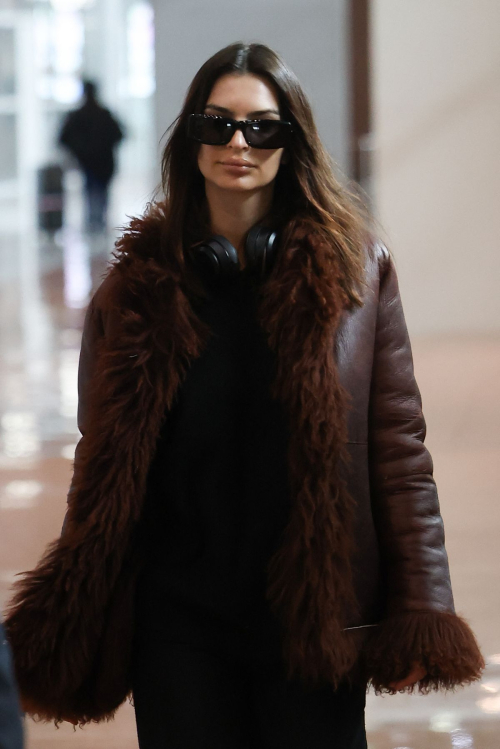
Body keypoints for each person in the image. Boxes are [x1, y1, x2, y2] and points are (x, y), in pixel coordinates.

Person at [5, 43, 484, 748]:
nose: (238, 143)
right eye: (217, 124)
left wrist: (421, 606)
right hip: (177, 624)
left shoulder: (355, 275)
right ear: (189, 139)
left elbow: (399, 451)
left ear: (293, 142)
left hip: (312, 620)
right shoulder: (135, 290)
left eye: (262, 126)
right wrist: (83, 594)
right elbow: (100, 459)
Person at [59, 80, 124, 232]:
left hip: (91, 163)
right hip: (100, 163)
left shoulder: (79, 116)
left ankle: (96, 226)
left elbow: (63, 139)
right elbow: (119, 135)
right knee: (99, 196)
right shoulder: (102, 115)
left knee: (93, 196)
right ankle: (97, 226)